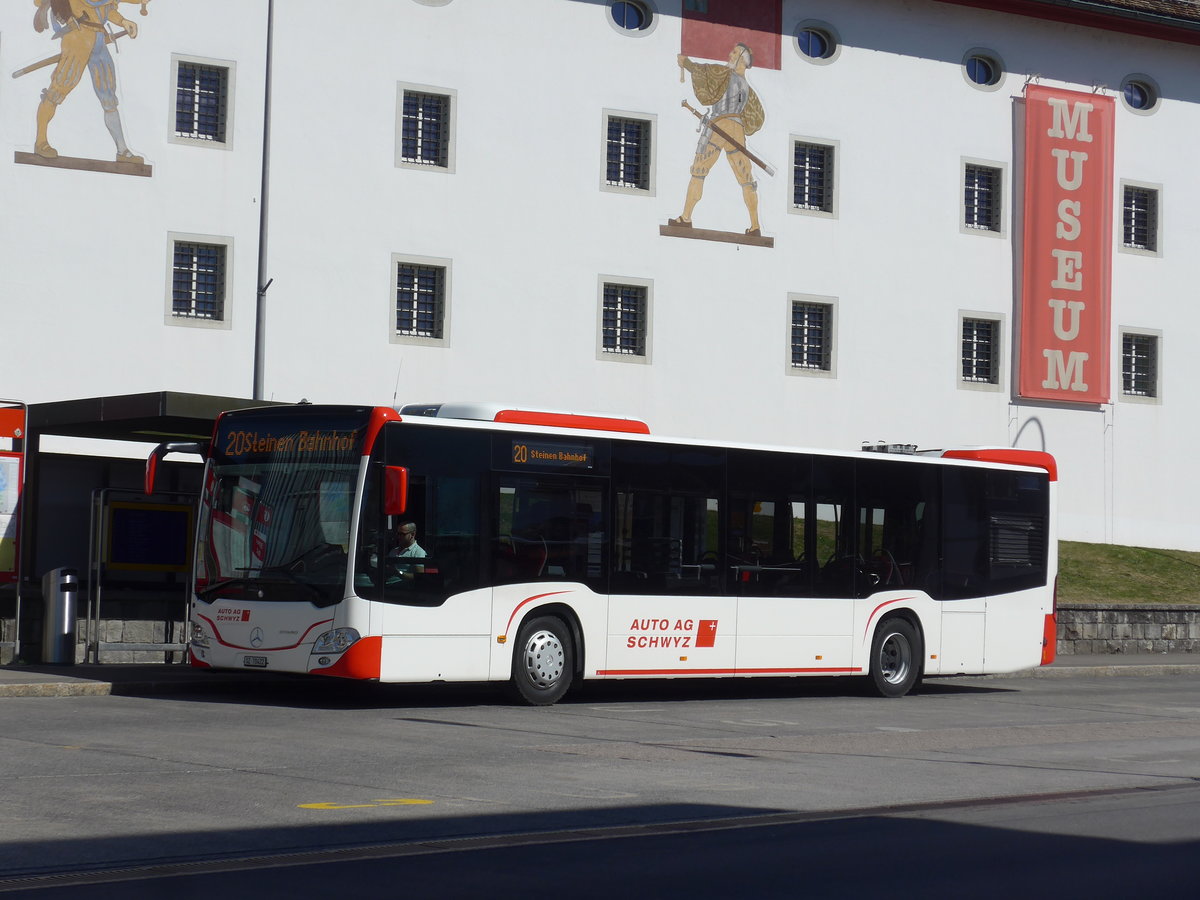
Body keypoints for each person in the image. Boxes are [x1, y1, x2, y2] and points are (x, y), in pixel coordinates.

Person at [31, 0, 148, 163]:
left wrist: (122, 21)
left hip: (99, 38)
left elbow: (104, 10)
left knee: (108, 96)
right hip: (77, 36)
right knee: (58, 90)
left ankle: (122, 151)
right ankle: (41, 141)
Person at [670, 43, 766, 236]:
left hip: (720, 125)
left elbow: (704, 71)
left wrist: (686, 63)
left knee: (699, 169)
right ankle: (755, 226)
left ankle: (686, 217)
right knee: (746, 177)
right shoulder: (749, 91)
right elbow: (756, 117)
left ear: (741, 58)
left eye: (734, 53)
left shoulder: (725, 74)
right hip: (737, 129)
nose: (729, 55)